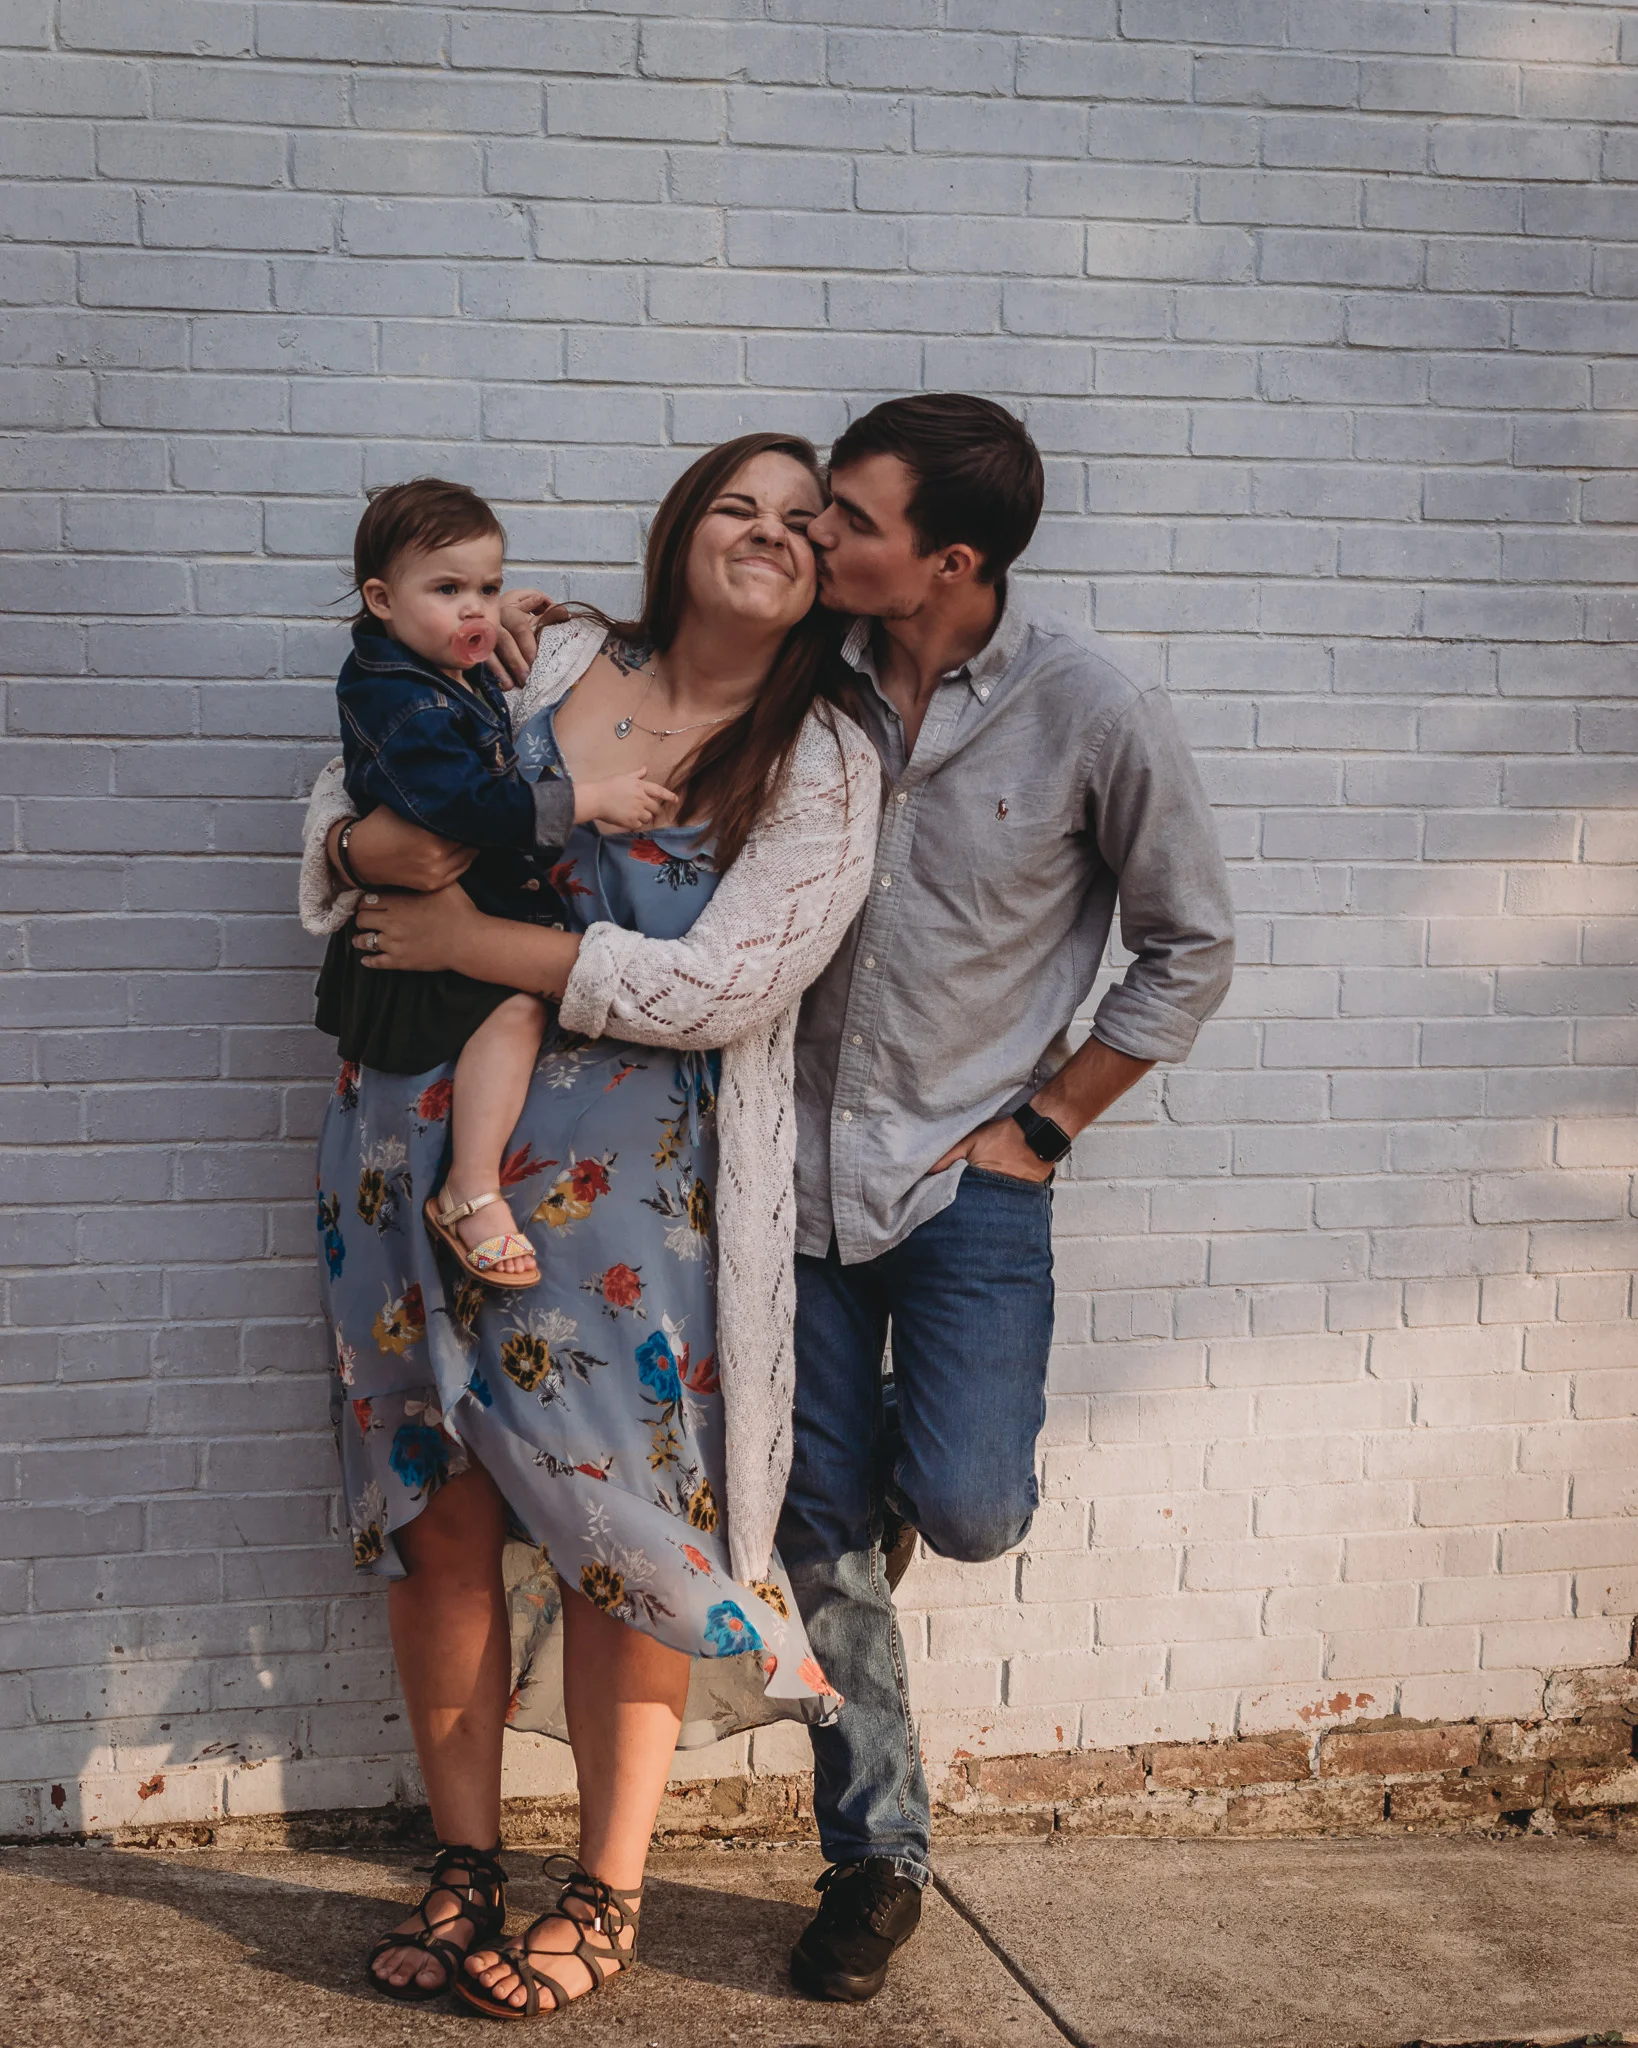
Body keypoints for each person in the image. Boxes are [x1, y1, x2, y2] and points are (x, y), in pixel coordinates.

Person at [297, 432, 880, 2017]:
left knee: (622, 1528)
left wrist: (474, 935)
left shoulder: (823, 754)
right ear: (682, 526)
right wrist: (353, 854)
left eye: (801, 519)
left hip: (620, 1205)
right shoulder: (548, 649)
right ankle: (464, 1861)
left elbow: (730, 985)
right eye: (736, 504)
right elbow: (366, 782)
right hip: (402, 1142)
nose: (766, 532)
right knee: (435, 1512)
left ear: (829, 566)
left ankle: (608, 1889)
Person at [772, 394, 1237, 2002]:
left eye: (848, 518)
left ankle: (887, 1473)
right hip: (785, 1185)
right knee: (817, 1529)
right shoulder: (799, 680)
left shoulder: (1091, 709)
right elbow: (647, 680)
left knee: (965, 1509)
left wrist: (1046, 1124)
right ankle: (876, 1856)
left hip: (963, 1181)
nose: (815, 535)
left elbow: (1190, 947)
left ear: (947, 561)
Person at [316, 476, 675, 1289]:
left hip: (454, 913)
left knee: (513, 1017)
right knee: (515, 1012)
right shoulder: (398, 699)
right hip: (428, 922)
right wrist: (588, 801)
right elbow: (468, 805)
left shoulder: (428, 661)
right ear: (381, 599)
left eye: (487, 585)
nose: (474, 609)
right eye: (448, 590)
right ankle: (470, 1191)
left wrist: (493, 620)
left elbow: (474, 673)